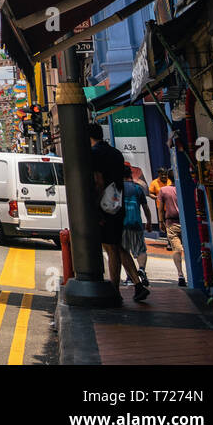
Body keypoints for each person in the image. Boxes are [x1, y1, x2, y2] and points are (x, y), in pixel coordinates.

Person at [88, 123, 146, 302]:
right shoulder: (116, 153)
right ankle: (137, 284)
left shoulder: (95, 153)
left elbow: (98, 182)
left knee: (112, 247)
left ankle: (115, 290)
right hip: (117, 203)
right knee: (117, 245)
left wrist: (95, 207)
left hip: (105, 207)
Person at [120, 169, 151, 287]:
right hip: (136, 223)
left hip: (122, 224)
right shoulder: (138, 188)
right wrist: (148, 222)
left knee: (124, 252)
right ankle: (141, 269)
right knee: (141, 250)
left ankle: (129, 277)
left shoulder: (118, 188)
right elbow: (145, 207)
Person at [158, 171, 186, 285]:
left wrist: (161, 222)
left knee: (176, 249)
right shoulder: (183, 189)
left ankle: (180, 274)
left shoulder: (164, 190)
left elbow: (160, 208)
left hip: (171, 223)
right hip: (185, 223)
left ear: (168, 178)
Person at [148, 167, 168, 238]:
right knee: (164, 224)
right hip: (161, 208)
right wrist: (156, 197)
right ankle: (169, 240)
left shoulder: (170, 181)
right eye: (162, 174)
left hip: (172, 207)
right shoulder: (154, 183)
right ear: (158, 174)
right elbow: (150, 193)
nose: (164, 176)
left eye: (165, 174)